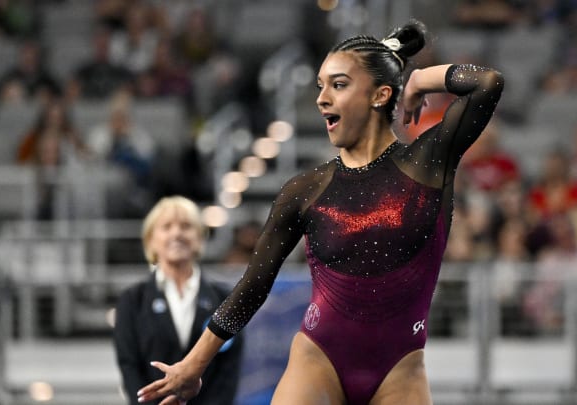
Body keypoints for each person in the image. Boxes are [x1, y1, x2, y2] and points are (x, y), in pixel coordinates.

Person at [137, 20, 503, 405]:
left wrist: (418, 81)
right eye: (320, 86)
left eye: (338, 85)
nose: (321, 98)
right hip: (318, 358)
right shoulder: (305, 190)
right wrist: (194, 365)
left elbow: (488, 83)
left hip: (401, 369)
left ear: (379, 95)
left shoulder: (427, 164)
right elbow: (253, 286)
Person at [113, 196, 244, 405]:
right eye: (166, 227)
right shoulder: (132, 300)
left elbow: (228, 371)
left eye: (186, 226)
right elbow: (130, 367)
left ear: (200, 237)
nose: (177, 233)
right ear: (151, 240)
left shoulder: (225, 299)